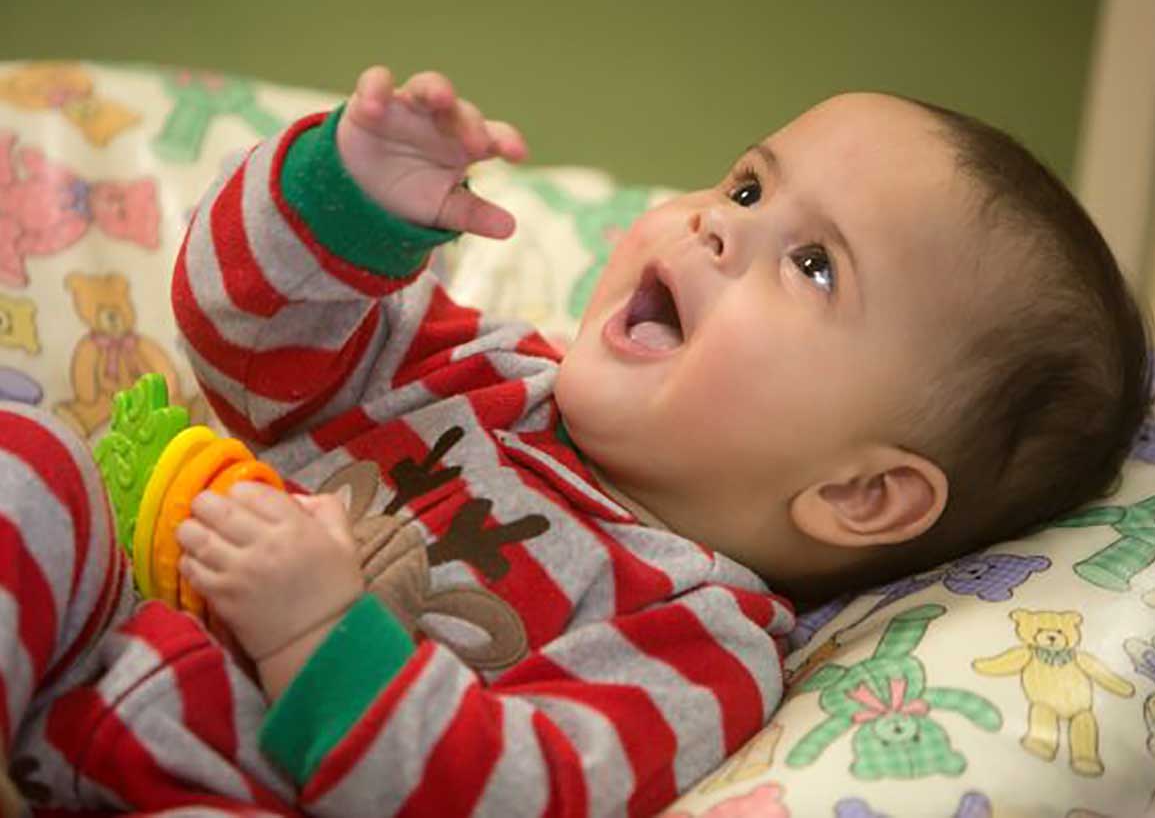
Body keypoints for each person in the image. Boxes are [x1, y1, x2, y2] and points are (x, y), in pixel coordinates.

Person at [1, 64, 1148, 817]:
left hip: (243, 784)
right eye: (748, 187)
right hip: (100, 639)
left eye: (814, 263)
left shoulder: (703, 641)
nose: (711, 222)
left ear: (861, 495)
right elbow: (242, 332)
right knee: (32, 467)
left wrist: (314, 632)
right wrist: (347, 198)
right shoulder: (484, 367)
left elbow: (506, 794)